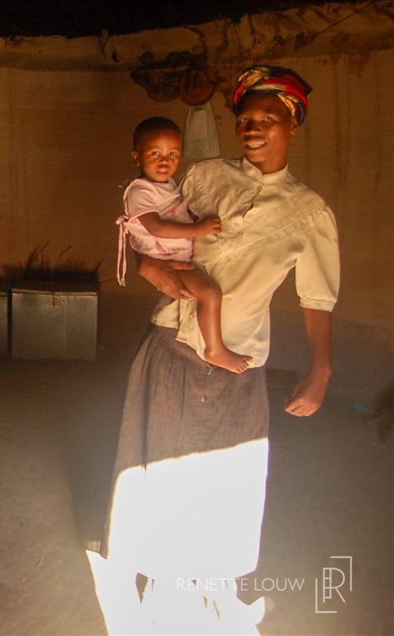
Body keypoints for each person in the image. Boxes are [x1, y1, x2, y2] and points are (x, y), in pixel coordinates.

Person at [88, 65, 340, 634]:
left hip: (235, 355)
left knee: (224, 474)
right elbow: (151, 230)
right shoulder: (208, 176)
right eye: (246, 120)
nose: (253, 130)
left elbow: (317, 295)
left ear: (292, 126)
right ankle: (160, 582)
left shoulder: (309, 212)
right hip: (171, 339)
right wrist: (150, 268)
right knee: (156, 461)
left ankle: (211, 587)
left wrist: (320, 366)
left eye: (268, 120)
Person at [117, 116, 252, 374]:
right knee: (210, 293)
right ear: (137, 156)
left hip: (179, 258)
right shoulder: (139, 191)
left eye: (173, 154)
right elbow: (156, 227)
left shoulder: (170, 186)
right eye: (155, 153)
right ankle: (215, 349)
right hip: (168, 263)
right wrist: (197, 229)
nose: (165, 161)